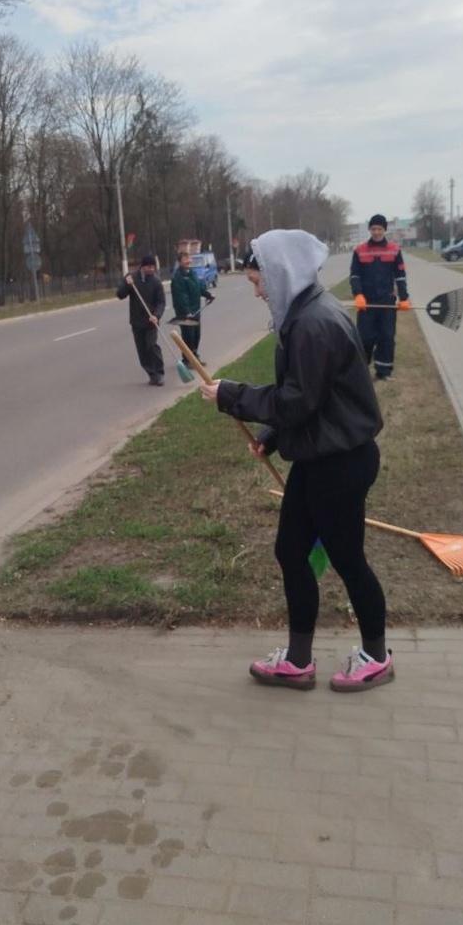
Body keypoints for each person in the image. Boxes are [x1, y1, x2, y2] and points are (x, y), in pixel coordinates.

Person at [198, 229, 394, 693]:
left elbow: (296, 401)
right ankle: (299, 660)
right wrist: (273, 436)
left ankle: (377, 657)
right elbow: (314, 399)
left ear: (281, 274)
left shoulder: (313, 324)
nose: (258, 292)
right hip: (318, 458)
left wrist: (231, 395)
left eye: (258, 282)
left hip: (340, 464)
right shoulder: (306, 313)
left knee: (348, 560)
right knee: (290, 551)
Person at [349, 213, 411, 381]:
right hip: (366, 303)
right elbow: (354, 275)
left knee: (386, 336)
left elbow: (400, 275)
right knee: (365, 338)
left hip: (387, 301)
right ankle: (361, 372)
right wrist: (358, 294)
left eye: (380, 229)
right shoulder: (360, 250)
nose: (376, 232)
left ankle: (383, 371)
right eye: (374, 228)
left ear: (384, 230)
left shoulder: (394, 250)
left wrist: (404, 297)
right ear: (370, 229)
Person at [116, 254, 166, 386]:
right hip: (137, 321)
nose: (151, 269)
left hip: (151, 321)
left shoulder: (156, 281)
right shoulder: (131, 277)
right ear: (142, 266)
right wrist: (126, 285)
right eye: (149, 267)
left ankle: (159, 373)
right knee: (142, 350)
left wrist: (156, 315)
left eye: (153, 267)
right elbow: (120, 295)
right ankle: (152, 374)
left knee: (151, 346)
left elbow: (161, 302)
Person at [171, 250, 214, 363]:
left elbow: (198, 288)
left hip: (196, 310)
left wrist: (208, 295)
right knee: (188, 335)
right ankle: (187, 359)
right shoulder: (178, 277)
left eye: (189, 258)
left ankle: (194, 356)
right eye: (185, 259)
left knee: (196, 334)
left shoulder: (192, 273)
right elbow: (181, 296)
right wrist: (187, 311)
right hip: (185, 312)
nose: (188, 261)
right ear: (180, 262)